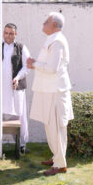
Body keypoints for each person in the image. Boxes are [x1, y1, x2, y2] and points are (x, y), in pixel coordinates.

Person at [27, 12, 74, 176]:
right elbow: (47, 65)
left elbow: (52, 68)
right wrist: (36, 64)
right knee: (50, 126)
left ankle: (60, 164)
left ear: (54, 25)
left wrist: (34, 64)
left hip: (55, 90)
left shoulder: (58, 42)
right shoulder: (52, 40)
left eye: (46, 22)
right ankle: (56, 158)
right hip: (48, 89)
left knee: (56, 128)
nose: (43, 24)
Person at [0, 23, 30, 154]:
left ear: (16, 34)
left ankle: (21, 144)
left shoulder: (21, 48)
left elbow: (26, 66)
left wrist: (18, 77)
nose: (8, 36)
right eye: (6, 33)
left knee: (19, 115)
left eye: (11, 33)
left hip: (15, 87)